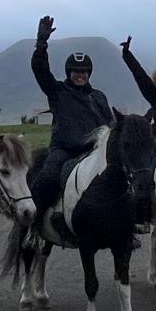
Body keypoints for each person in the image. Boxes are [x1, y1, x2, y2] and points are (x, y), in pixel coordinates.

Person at [27, 16, 114, 235]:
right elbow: (40, 70)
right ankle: (34, 226)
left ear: (89, 73)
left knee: (123, 177)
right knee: (47, 178)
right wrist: (41, 43)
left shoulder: (99, 97)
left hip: (95, 150)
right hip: (65, 149)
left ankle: (126, 227)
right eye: (75, 71)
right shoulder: (57, 91)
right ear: (69, 73)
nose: (79, 75)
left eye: (83, 71)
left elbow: (109, 124)